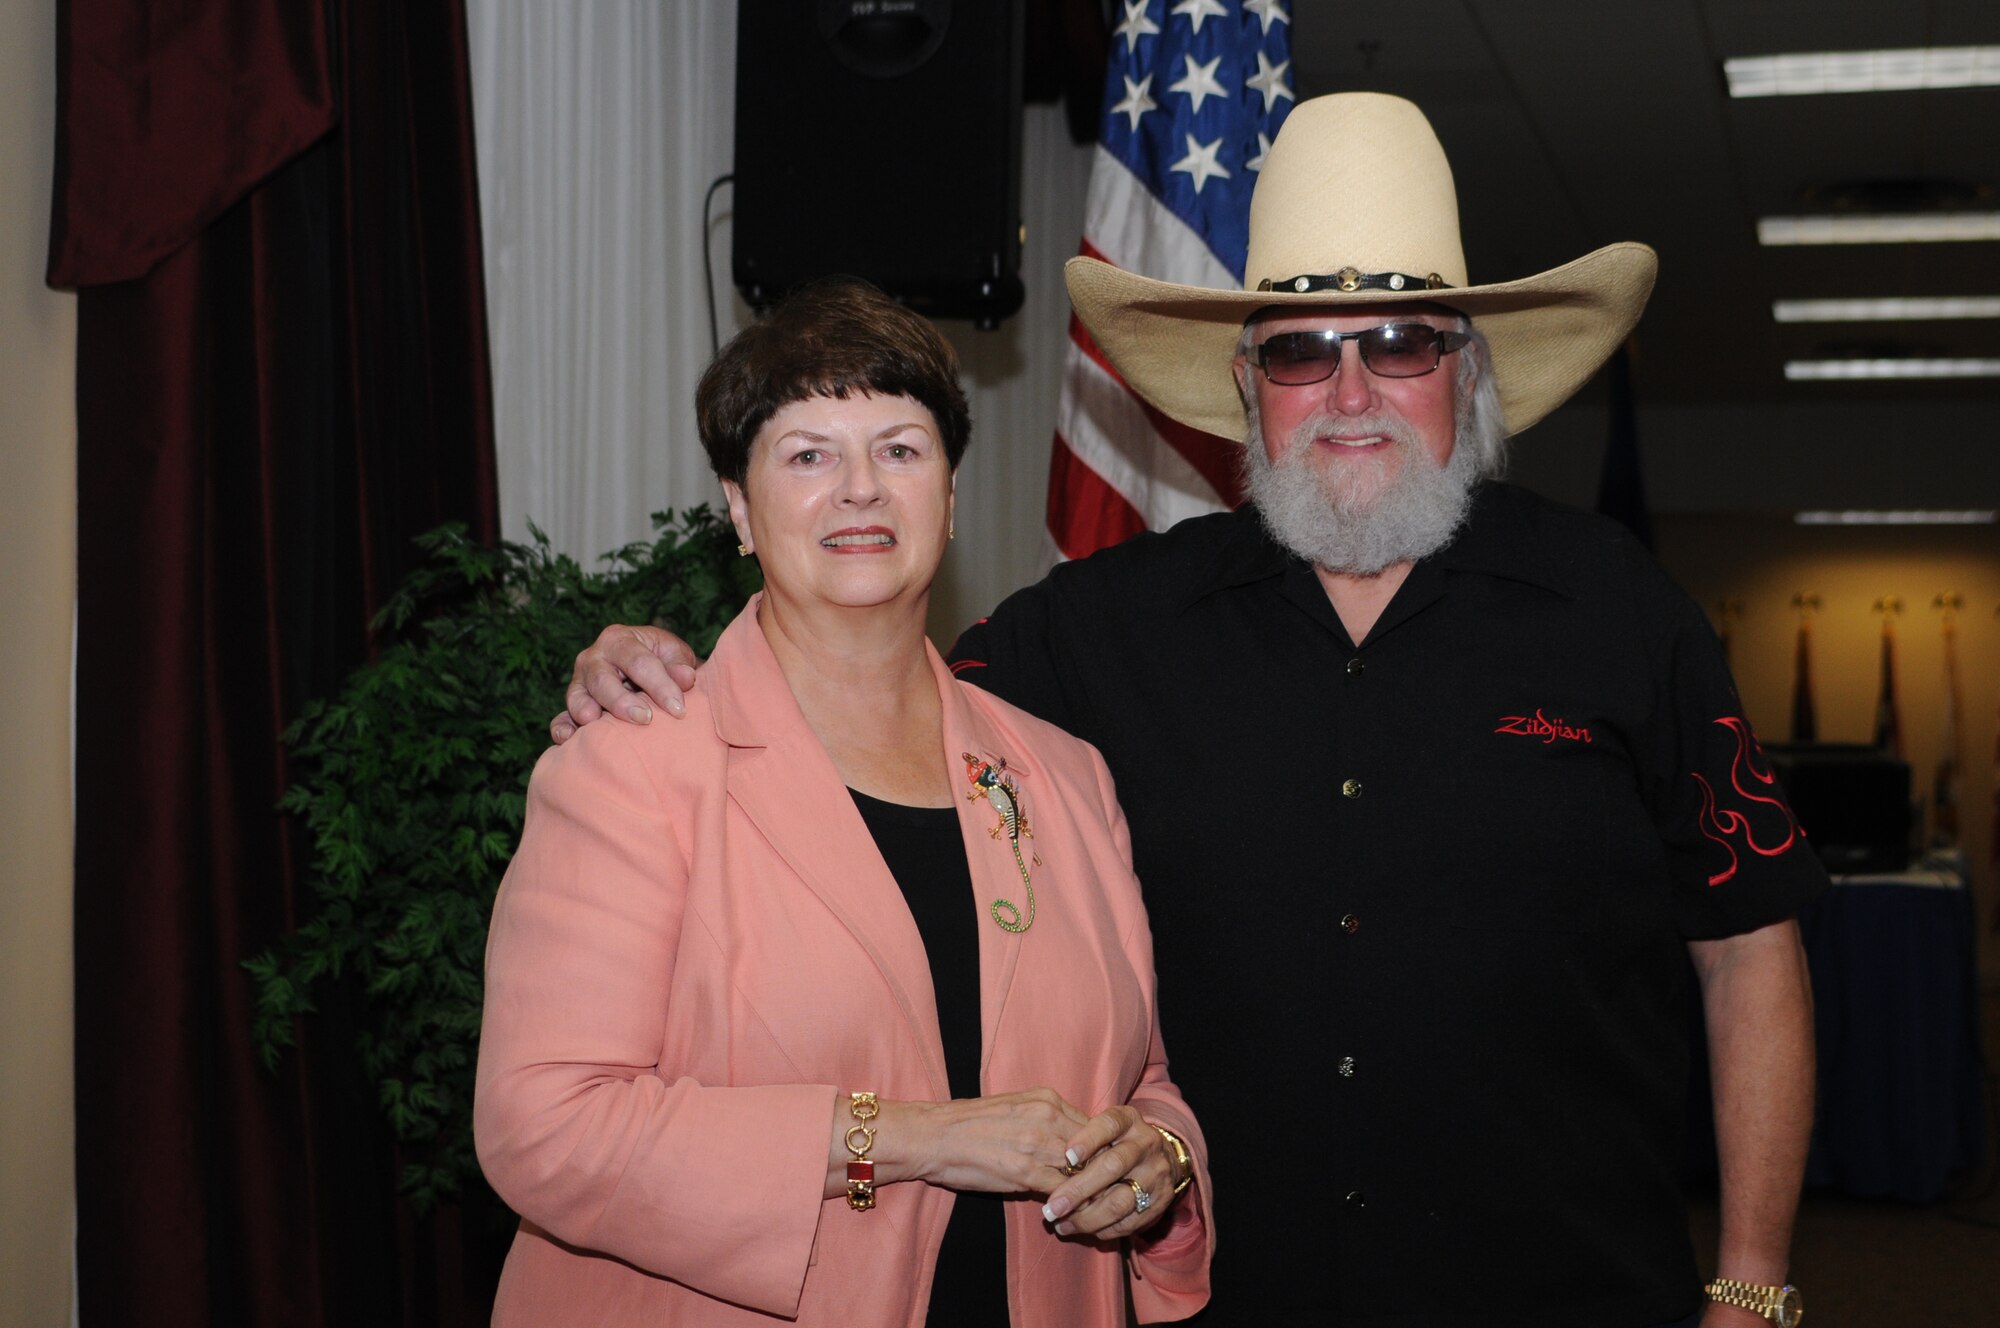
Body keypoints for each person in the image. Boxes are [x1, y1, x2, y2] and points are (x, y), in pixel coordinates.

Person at [555, 96, 1824, 1327]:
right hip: (1223, 1296)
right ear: (1244, 383)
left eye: (1398, 342)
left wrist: (1751, 1282)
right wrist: (652, 669)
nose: (1348, 392)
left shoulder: (1617, 610)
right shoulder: (1099, 627)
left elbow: (1747, 948)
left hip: (1566, 1290)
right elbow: (859, 702)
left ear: (1466, 369)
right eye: (1298, 351)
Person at [474, 277, 1212, 1327]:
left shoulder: (1066, 778)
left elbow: (1137, 1076)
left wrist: (1159, 1158)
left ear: (948, 497)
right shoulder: (634, 767)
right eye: (808, 455)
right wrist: (916, 1137)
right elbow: (544, 1125)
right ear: (739, 508)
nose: (860, 488)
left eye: (899, 450)